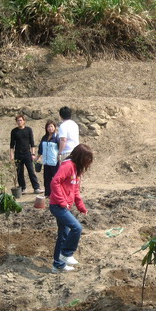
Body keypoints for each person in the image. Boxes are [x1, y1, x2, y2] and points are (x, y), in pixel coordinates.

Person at [50, 144, 93, 273]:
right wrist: (62, 201)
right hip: (58, 206)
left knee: (63, 235)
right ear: (80, 157)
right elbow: (55, 182)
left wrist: (81, 207)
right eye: (87, 159)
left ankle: (58, 265)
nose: (88, 163)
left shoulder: (76, 170)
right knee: (77, 228)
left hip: (65, 206)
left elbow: (75, 190)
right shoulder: (68, 166)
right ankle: (66, 254)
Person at [9, 114, 42, 194]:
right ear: (16, 122)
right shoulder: (14, 131)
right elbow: (12, 145)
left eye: (21, 120)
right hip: (18, 154)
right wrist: (12, 156)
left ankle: (36, 188)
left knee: (31, 171)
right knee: (19, 172)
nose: (19, 122)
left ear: (24, 121)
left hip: (27, 153)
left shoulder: (28, 130)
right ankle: (23, 188)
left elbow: (32, 143)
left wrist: (33, 154)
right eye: (18, 120)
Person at [37, 120, 60, 198]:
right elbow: (41, 149)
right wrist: (37, 157)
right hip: (46, 162)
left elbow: (61, 148)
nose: (50, 128)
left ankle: (58, 194)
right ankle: (48, 194)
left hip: (54, 162)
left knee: (56, 179)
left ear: (54, 127)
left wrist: (59, 156)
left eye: (51, 126)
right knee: (47, 178)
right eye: (48, 127)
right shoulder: (44, 137)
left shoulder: (57, 137)